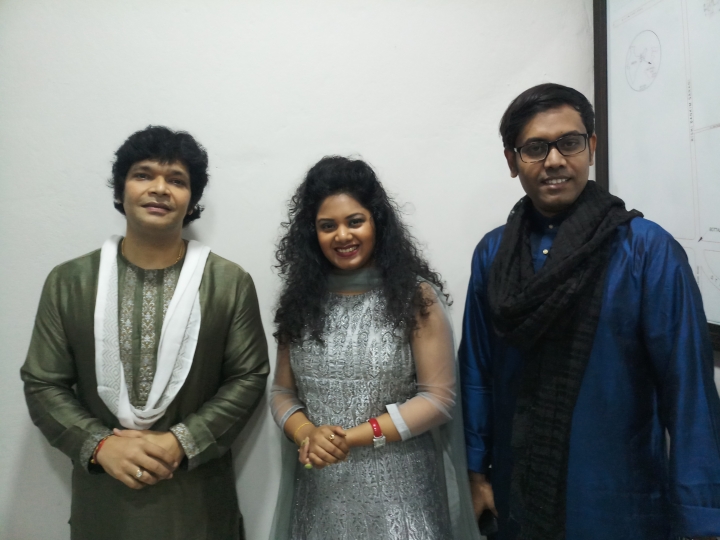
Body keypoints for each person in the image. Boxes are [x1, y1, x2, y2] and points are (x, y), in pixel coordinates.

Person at [459, 82, 720, 540]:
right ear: (512, 161)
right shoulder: (494, 255)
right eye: (535, 148)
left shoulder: (646, 251)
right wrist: (476, 472)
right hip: (517, 497)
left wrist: (701, 517)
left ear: (592, 147)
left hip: (620, 503)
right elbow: (478, 373)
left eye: (570, 142)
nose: (554, 160)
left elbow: (688, 392)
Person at [20, 126, 270, 540]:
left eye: (177, 180)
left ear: (192, 200)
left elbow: (249, 376)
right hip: (105, 500)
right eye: (143, 175)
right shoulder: (70, 282)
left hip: (197, 501)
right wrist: (101, 445)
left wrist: (181, 442)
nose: (160, 189)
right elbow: (43, 382)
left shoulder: (228, 283)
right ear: (121, 190)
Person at [268, 156, 479, 539]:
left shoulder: (415, 297)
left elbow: (439, 398)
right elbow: (282, 392)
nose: (342, 236)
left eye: (355, 221)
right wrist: (306, 434)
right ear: (312, 233)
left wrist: (349, 438)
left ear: (376, 222)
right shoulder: (302, 301)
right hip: (322, 497)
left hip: (403, 498)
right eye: (327, 226)